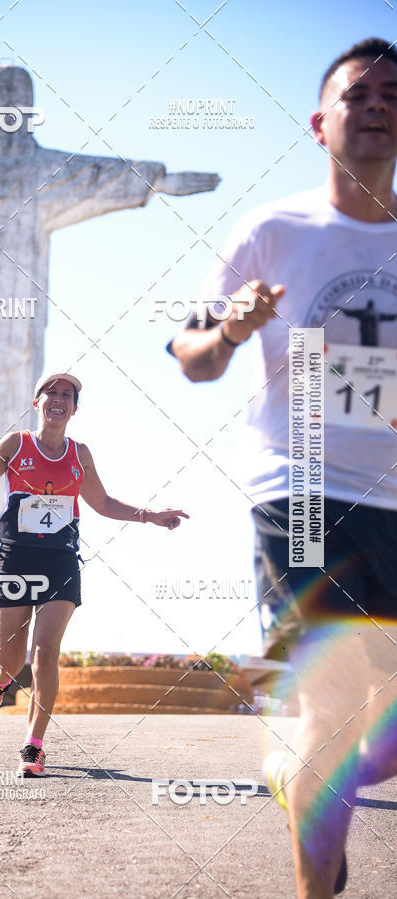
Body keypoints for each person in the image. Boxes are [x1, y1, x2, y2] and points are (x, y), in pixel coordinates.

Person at [169, 37, 397, 899]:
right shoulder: (273, 230)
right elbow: (190, 357)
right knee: (332, 704)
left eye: (392, 93)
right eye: (357, 94)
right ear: (320, 122)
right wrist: (229, 329)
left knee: (361, 741)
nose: (376, 105)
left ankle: (296, 763)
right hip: (299, 490)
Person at [0, 373, 187, 777]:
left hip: (60, 561)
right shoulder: (15, 445)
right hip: (15, 558)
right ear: (37, 401)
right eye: (50, 393)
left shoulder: (80, 454)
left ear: (74, 408)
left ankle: (33, 746)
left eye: (66, 395)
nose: (58, 399)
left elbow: (102, 503)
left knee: (44, 652)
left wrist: (149, 516)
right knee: (10, 660)